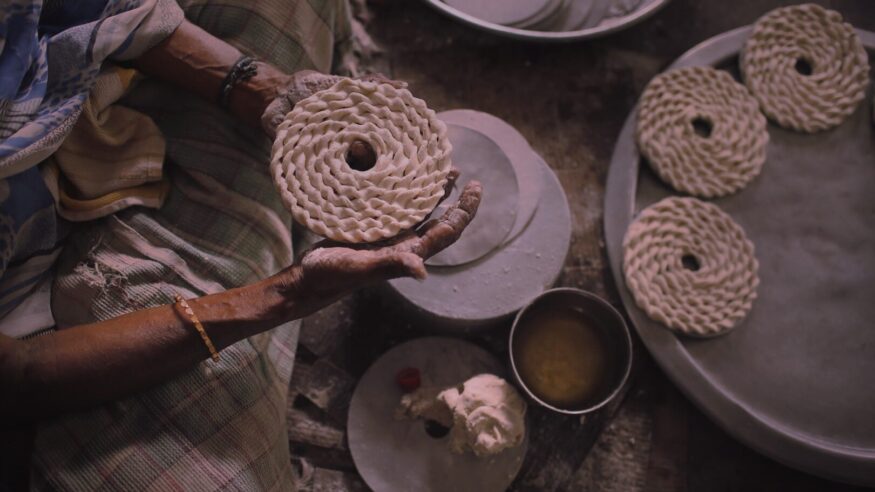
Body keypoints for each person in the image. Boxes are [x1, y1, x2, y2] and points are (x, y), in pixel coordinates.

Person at [0, 0, 481, 489]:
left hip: (64, 106)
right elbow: (16, 375)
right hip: (31, 316)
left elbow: (102, 10)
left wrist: (262, 90)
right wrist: (288, 294)